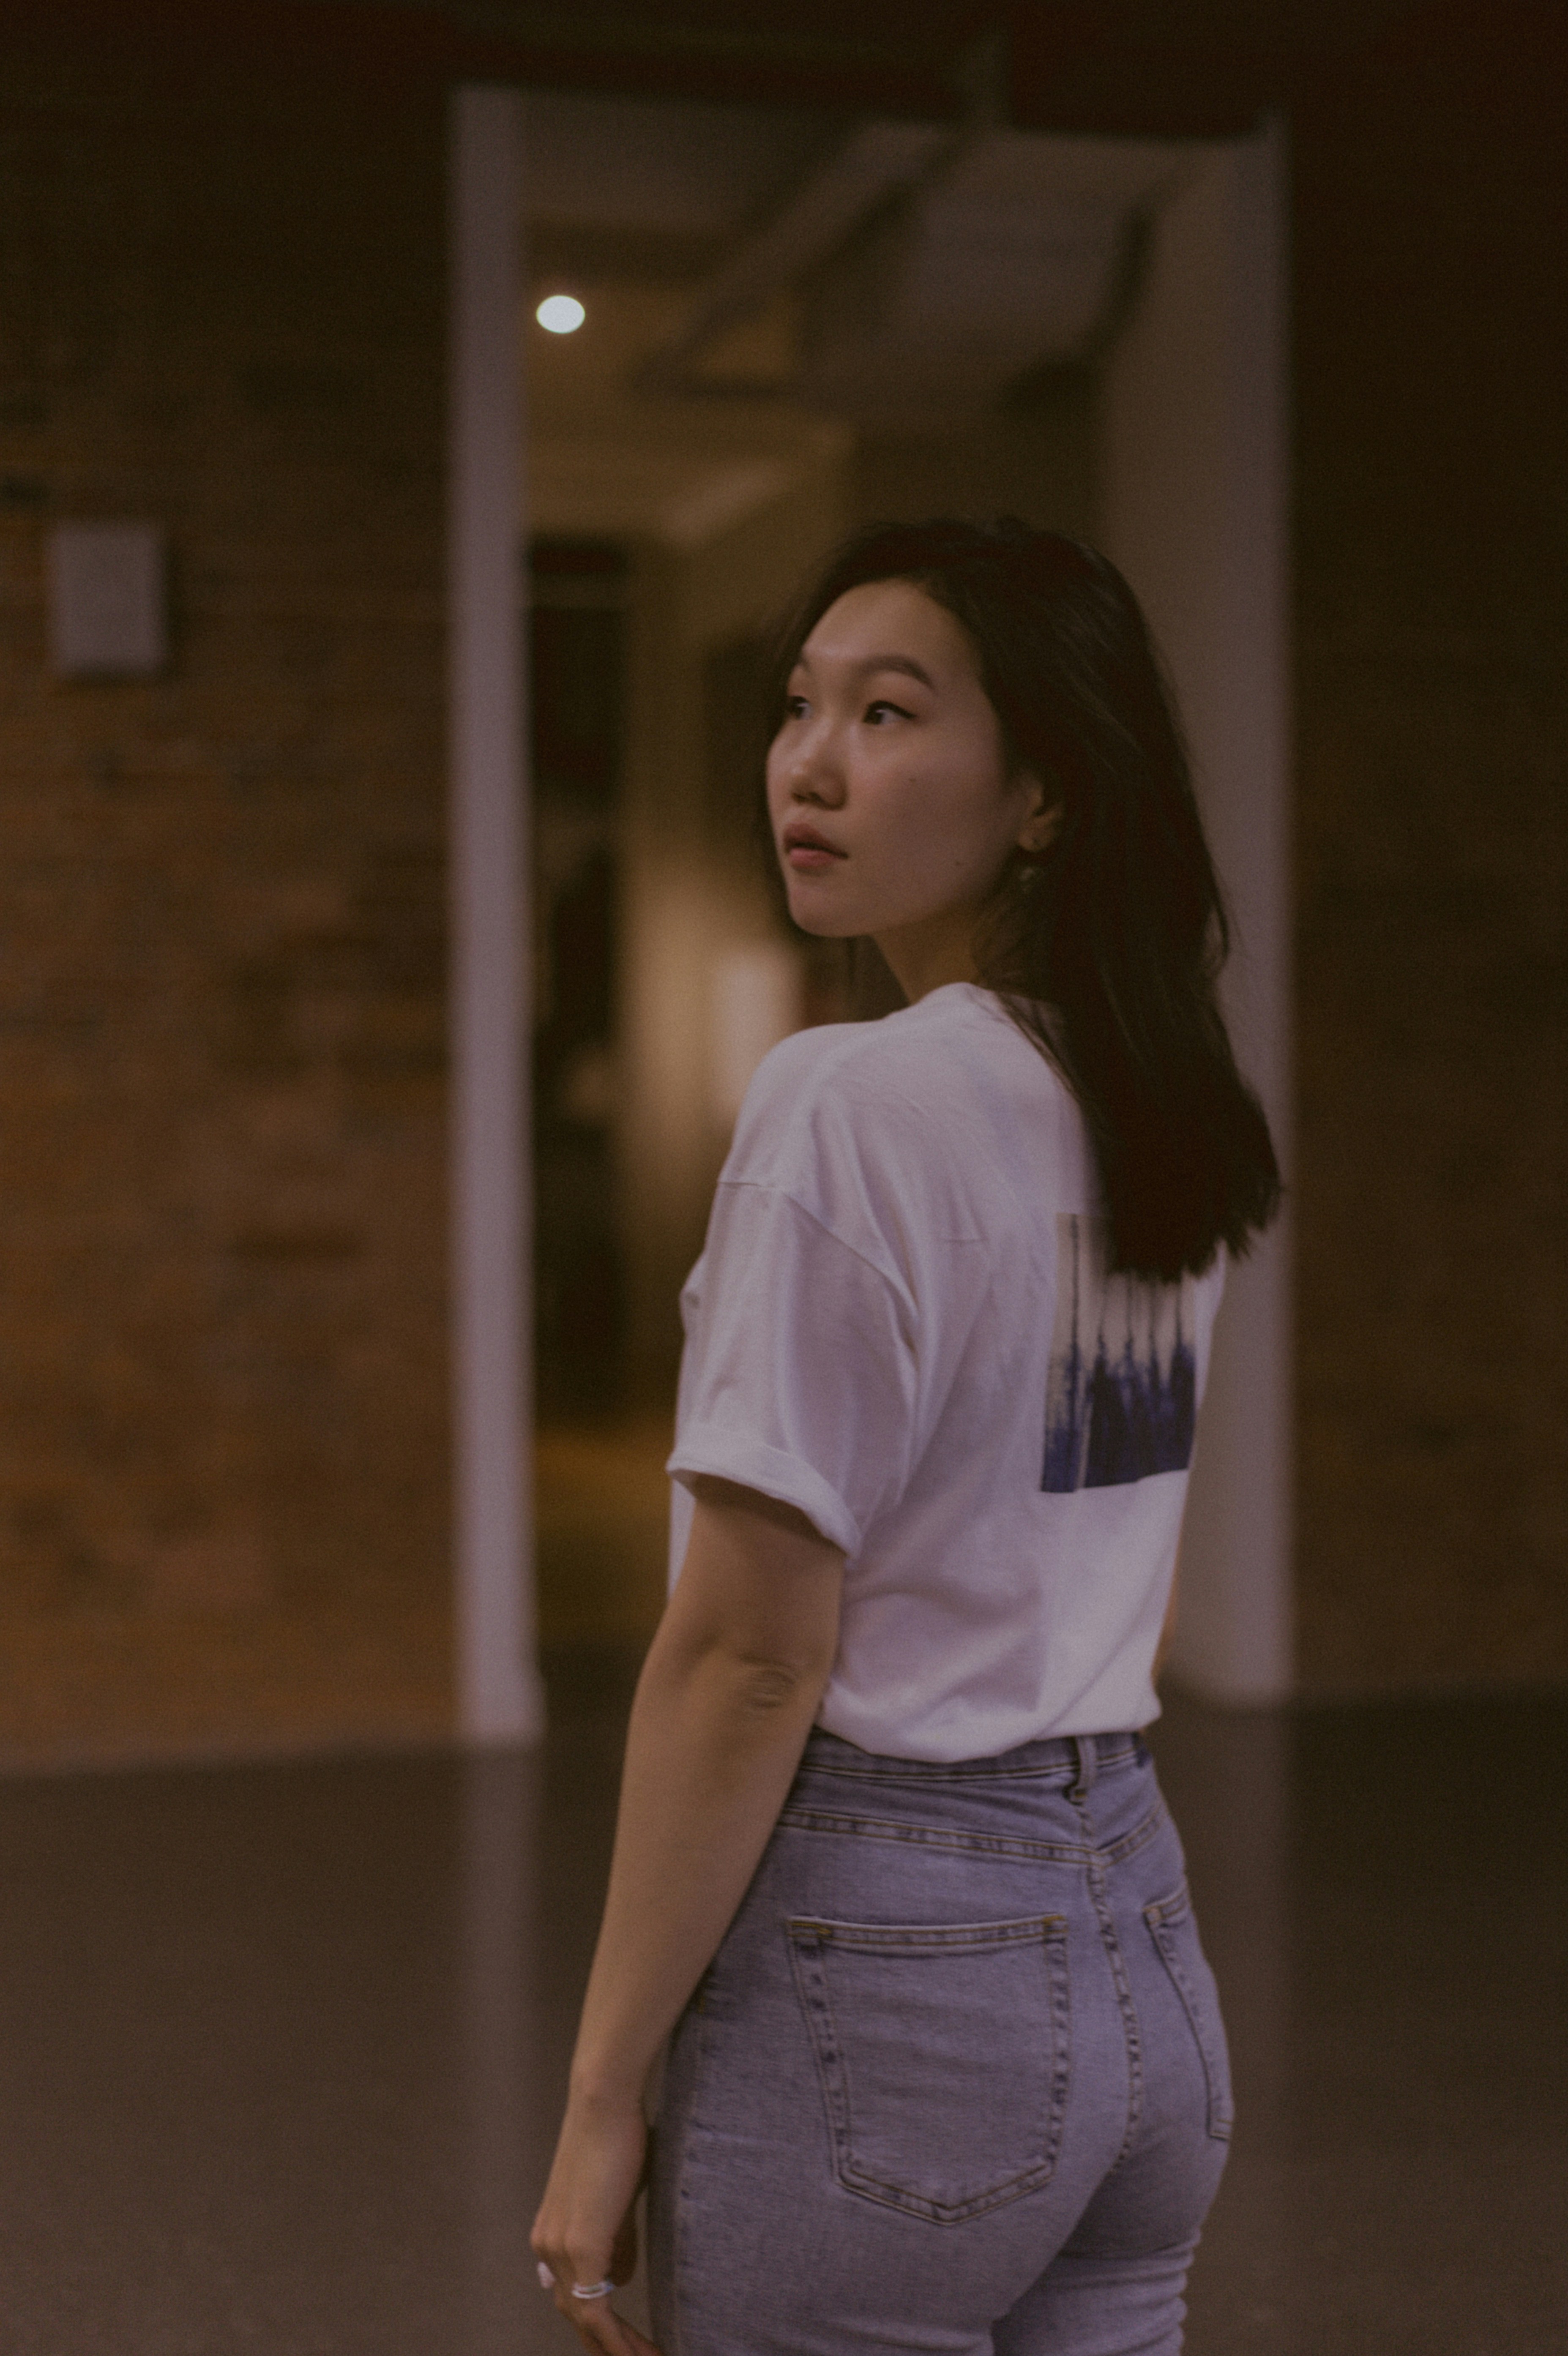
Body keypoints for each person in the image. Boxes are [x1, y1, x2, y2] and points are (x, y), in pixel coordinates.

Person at [531, 516, 1281, 2356]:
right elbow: (1110, 1547)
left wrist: (600, 2092)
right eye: (801, 705)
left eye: (887, 713)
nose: (808, 759)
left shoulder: (851, 1099)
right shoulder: (1161, 1101)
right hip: (1141, 1955)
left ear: (1043, 793)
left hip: (901, 1977)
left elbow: (749, 1652)